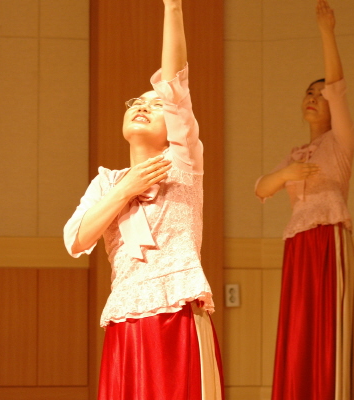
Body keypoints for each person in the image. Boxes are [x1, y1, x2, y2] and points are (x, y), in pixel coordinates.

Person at [63, 1, 224, 399]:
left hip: (177, 313)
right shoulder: (106, 182)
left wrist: (173, 8)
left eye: (154, 105)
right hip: (126, 318)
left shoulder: (182, 161)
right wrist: (125, 189)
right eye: (136, 102)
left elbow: (175, 85)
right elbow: (76, 240)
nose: (142, 106)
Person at [255, 1, 354, 399]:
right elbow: (262, 188)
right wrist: (286, 174)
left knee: (328, 322)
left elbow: (337, 86)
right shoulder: (296, 155)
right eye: (308, 92)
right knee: (300, 325)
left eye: (320, 94)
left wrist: (326, 32)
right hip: (298, 245)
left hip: (328, 241)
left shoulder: (341, 141)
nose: (314, 97)